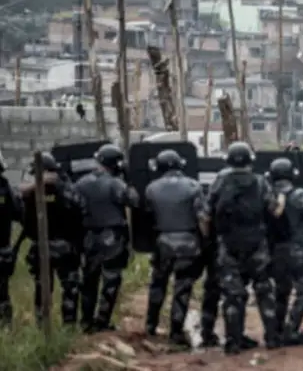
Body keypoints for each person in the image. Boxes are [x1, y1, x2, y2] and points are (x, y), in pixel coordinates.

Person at [203, 141, 281, 355]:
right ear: (250, 161)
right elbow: (275, 211)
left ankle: (233, 342)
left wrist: (210, 238)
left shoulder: (220, 181)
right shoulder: (260, 182)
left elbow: (205, 214)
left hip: (228, 245)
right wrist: (282, 198)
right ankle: (272, 338)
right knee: (264, 291)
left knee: (233, 295)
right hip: (257, 244)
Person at [144, 149, 207, 347]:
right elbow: (202, 218)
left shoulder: (151, 188)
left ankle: (150, 325)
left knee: (158, 284)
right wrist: (205, 241)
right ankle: (176, 331)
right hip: (188, 243)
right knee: (182, 288)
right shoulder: (194, 186)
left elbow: (147, 218)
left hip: (163, 243)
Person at [74, 144, 137, 333]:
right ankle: (102, 321)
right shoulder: (115, 183)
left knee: (88, 279)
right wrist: (128, 179)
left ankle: (85, 321)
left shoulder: (82, 183)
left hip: (88, 236)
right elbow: (133, 200)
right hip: (112, 237)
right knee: (111, 279)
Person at [20, 151, 85, 327]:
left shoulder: (34, 191)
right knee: (66, 286)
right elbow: (79, 210)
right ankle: (67, 323)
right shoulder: (65, 187)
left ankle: (45, 324)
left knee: (45, 286)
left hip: (48, 246)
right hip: (63, 246)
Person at [265, 157, 303, 346]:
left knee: (280, 291)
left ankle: (274, 332)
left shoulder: (267, 195)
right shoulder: (300, 194)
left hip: (275, 250)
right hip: (299, 249)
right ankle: (291, 329)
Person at [0, 151, 23, 326]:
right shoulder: (5, 187)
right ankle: (6, 326)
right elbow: (18, 212)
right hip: (3, 250)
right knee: (2, 292)